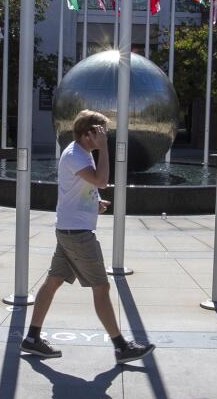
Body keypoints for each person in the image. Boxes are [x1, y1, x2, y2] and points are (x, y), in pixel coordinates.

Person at [20, 109, 154, 363]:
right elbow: (102, 180)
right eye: (100, 132)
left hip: (69, 230)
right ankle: (121, 347)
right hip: (77, 234)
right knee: (101, 287)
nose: (104, 136)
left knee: (53, 282)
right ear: (86, 134)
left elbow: (85, 186)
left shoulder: (81, 153)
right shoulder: (75, 155)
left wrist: (95, 203)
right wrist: (104, 149)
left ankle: (32, 339)